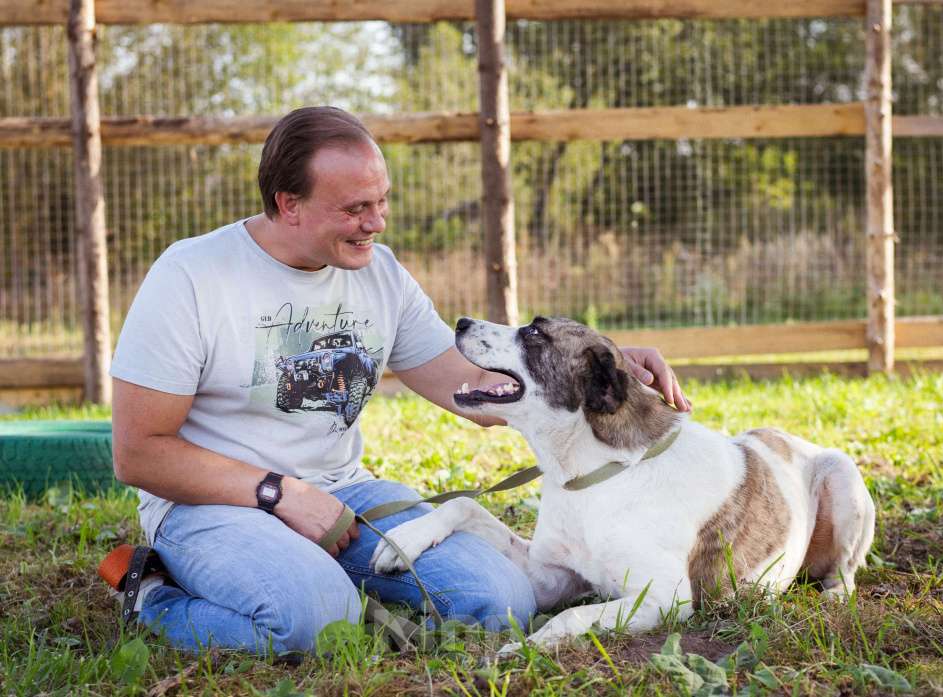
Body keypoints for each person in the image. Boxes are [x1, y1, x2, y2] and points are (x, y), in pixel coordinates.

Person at [98, 106, 691, 654]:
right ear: (288, 203)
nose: (376, 223)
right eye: (355, 209)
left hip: (341, 494)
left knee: (499, 601)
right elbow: (138, 454)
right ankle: (153, 590)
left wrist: (602, 362)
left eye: (381, 202)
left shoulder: (378, 273)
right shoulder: (191, 275)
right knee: (311, 623)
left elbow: (476, 390)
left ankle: (313, 577)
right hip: (211, 503)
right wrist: (280, 493)